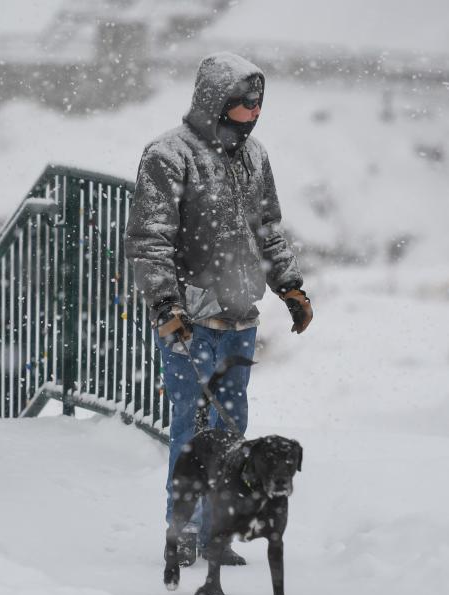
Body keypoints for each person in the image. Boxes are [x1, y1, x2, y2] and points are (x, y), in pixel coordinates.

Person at [124, 52, 312, 566]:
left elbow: (268, 228)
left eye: (257, 105)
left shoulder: (255, 158)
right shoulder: (168, 156)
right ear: (215, 102)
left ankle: (214, 533)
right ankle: (179, 531)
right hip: (188, 321)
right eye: (242, 104)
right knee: (191, 427)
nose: (252, 114)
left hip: (239, 321)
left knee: (231, 433)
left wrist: (290, 287)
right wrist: (166, 305)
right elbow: (149, 242)